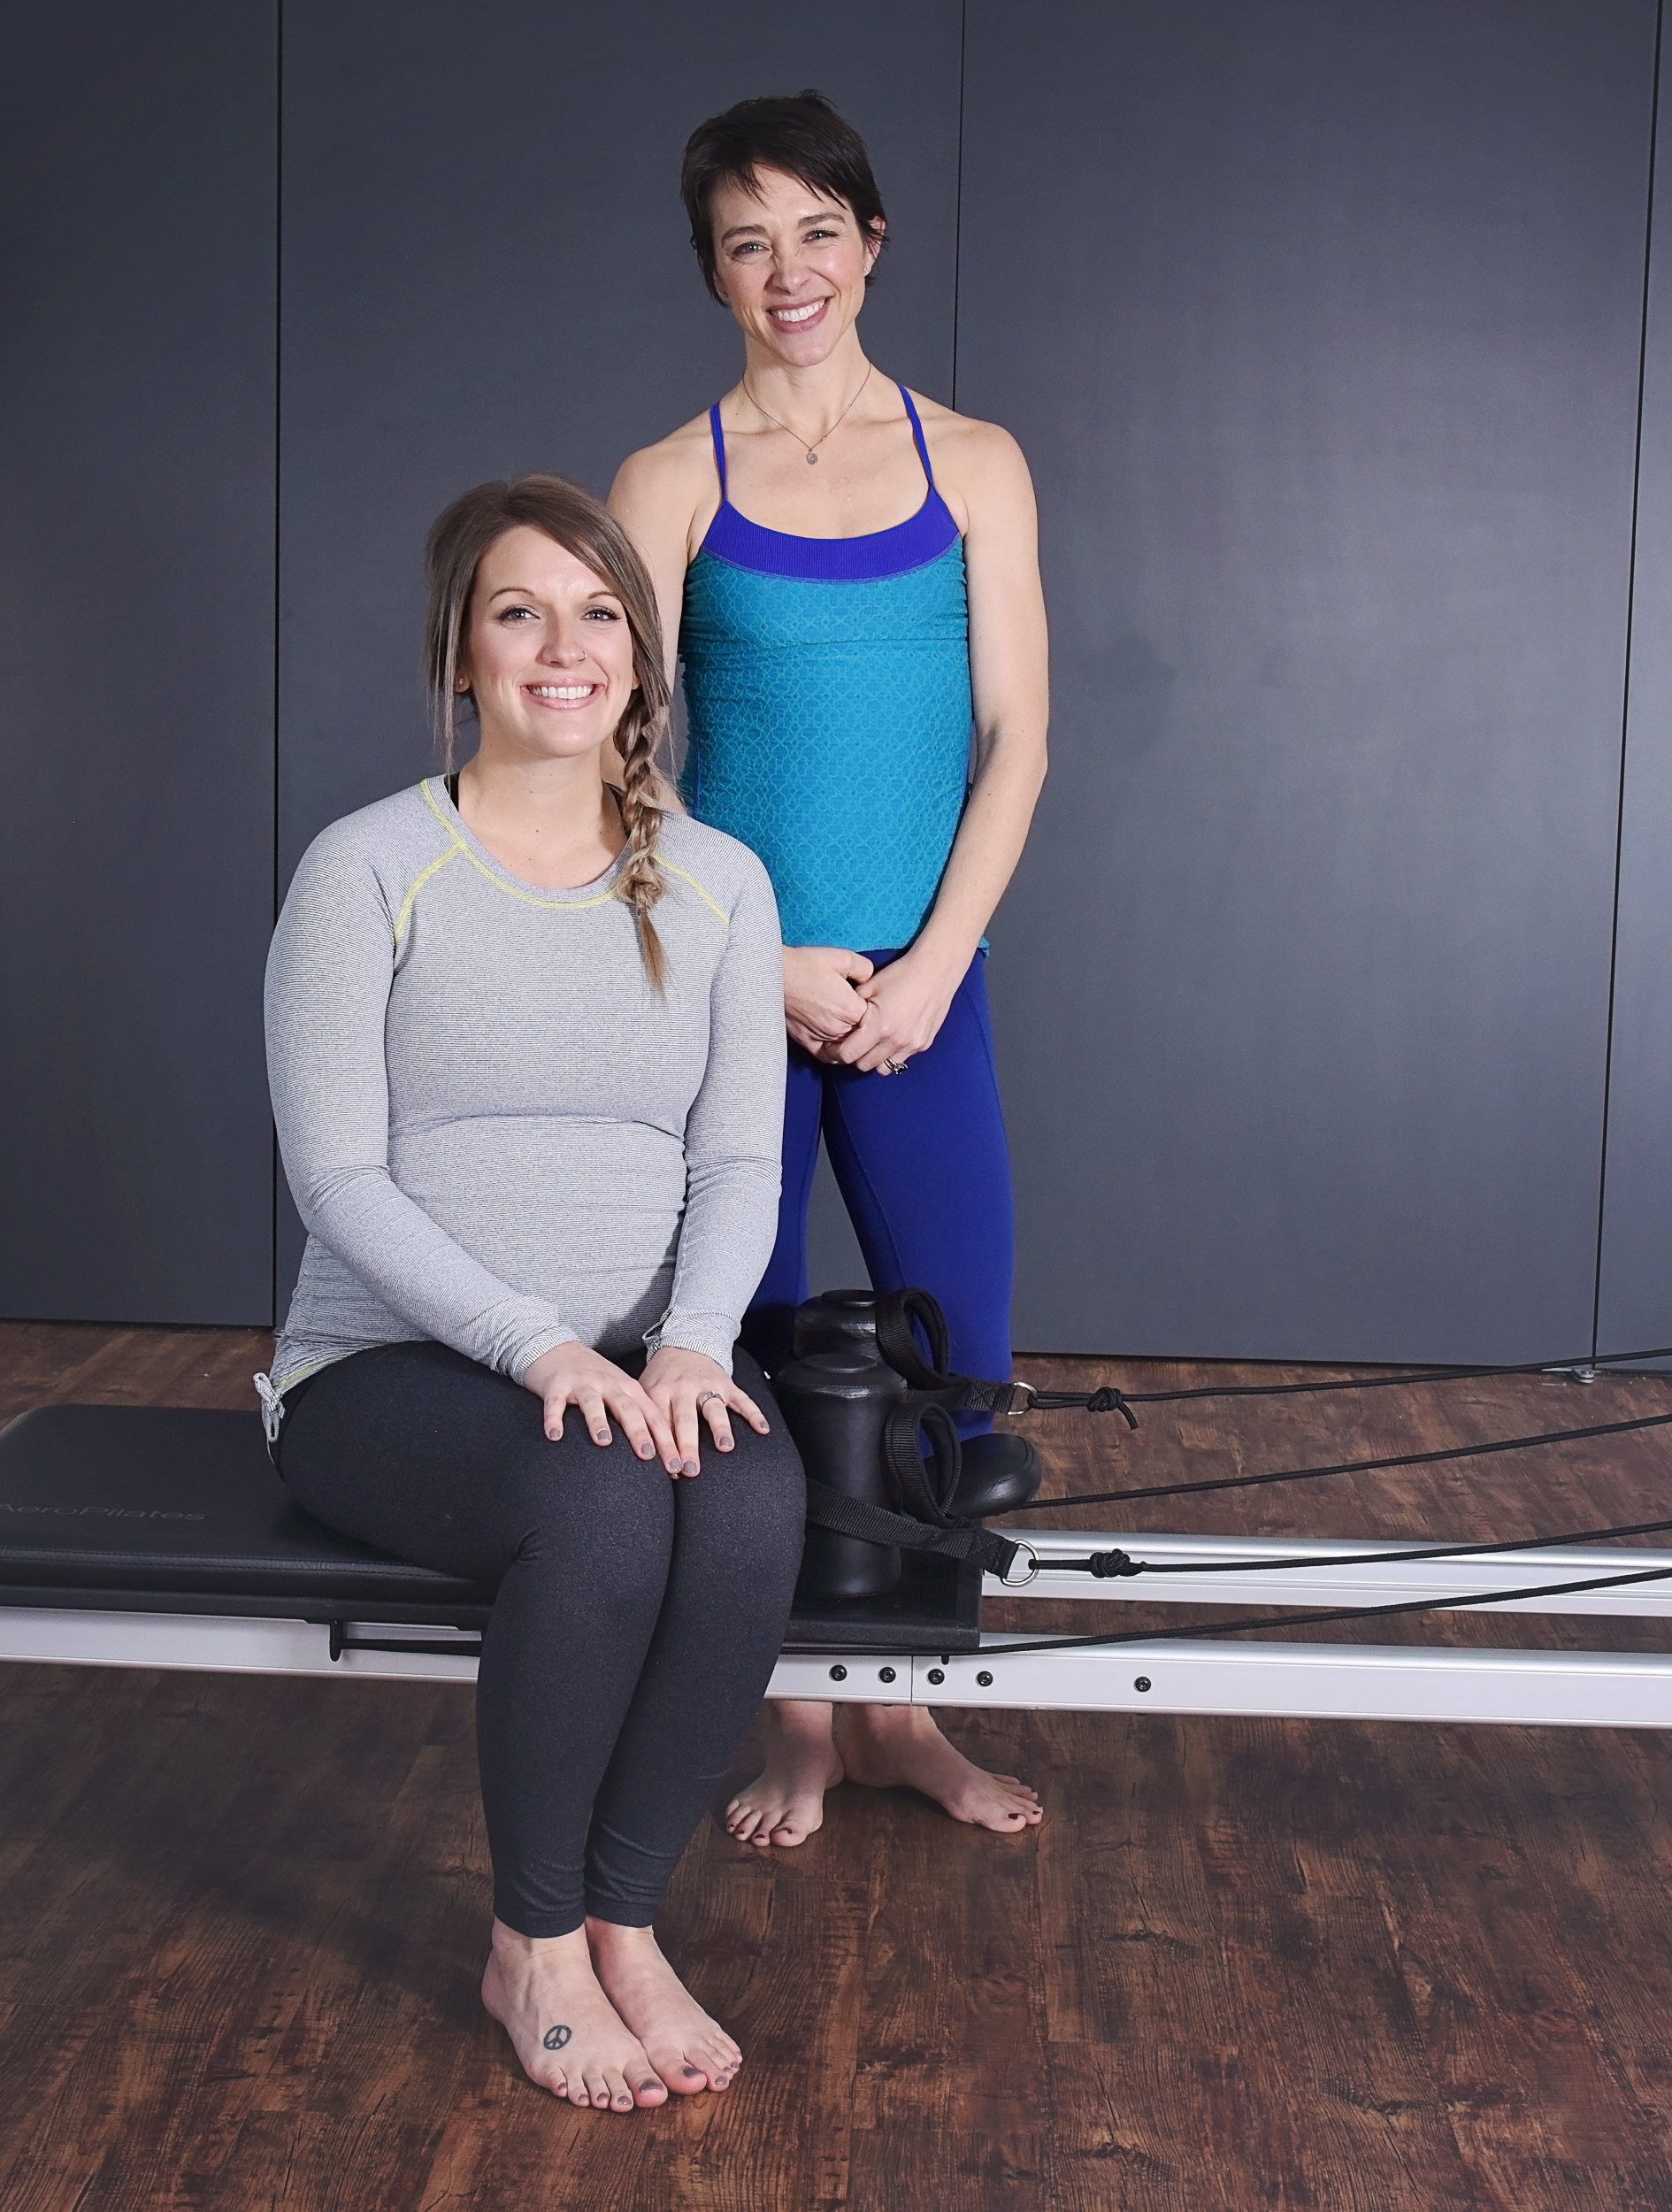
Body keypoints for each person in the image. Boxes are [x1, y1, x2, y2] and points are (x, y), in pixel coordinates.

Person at [261, 474, 801, 2113]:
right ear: (460, 652)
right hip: (387, 1372)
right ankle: (535, 1943)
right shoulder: (365, 870)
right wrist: (542, 1343)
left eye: (596, 612)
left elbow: (741, 1169)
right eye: (518, 611)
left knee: (757, 1496)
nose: (562, 647)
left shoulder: (719, 883)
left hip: (641, 1360)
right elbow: (339, 1182)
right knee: (605, 1508)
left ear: (639, 654)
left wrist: (693, 1344)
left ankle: (628, 1923)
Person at [610, 91, 1050, 1848]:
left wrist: (936, 961)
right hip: (734, 988)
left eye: (814, 229)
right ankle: (793, 1715)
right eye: (744, 239)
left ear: (869, 240)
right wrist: (756, 956)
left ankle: (906, 1717)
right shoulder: (667, 480)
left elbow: (1015, 736)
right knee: (751, 1353)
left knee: (960, 1359)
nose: (784, 270)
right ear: (710, 268)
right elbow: (620, 760)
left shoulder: (977, 460)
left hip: (922, 983)